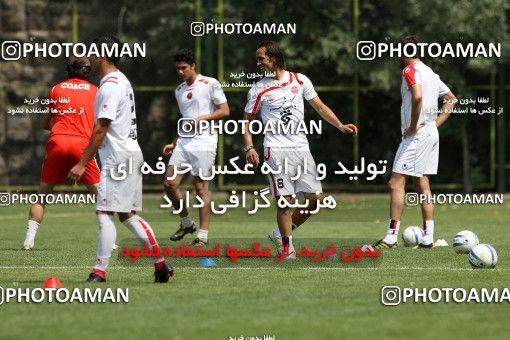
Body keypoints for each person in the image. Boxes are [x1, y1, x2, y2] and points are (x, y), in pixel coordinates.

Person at [68, 35, 173, 283]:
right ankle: (161, 265)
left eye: (92, 53)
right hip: (128, 154)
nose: (89, 58)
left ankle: (99, 272)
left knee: (104, 214)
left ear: (102, 56)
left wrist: (82, 163)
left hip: (118, 158)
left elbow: (101, 128)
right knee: (127, 215)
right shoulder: (121, 80)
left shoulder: (110, 86)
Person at [243, 41, 358, 258]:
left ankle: (280, 233)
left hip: (301, 149)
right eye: (257, 59)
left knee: (315, 200)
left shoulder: (300, 80)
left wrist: (340, 125)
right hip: (275, 150)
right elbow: (246, 121)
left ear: (274, 58)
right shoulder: (258, 88)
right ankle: (288, 249)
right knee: (285, 201)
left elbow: (320, 107)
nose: (257, 63)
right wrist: (249, 146)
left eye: (261, 58)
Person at [372, 35, 457, 249]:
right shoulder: (430, 72)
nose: (395, 57)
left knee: (396, 183)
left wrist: (412, 125)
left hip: (416, 135)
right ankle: (428, 237)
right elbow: (451, 100)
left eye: (397, 52)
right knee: (422, 184)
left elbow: (417, 97)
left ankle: (391, 237)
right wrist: (433, 125)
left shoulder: (409, 71)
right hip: (429, 133)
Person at [22, 56, 100, 250]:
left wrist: (62, 127)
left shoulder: (56, 89)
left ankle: (29, 240)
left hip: (58, 141)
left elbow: (44, 124)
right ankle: (110, 241)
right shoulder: (97, 91)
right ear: (88, 71)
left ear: (69, 69)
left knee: (42, 195)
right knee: (101, 196)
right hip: (82, 145)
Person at [162, 49, 229, 246]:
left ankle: (203, 234)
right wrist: (173, 142)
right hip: (184, 142)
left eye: (184, 68)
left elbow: (225, 110)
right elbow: (185, 120)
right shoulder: (179, 90)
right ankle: (186, 223)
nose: (180, 72)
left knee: (200, 188)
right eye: (177, 69)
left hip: (205, 142)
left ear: (193, 66)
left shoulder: (210, 83)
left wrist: (203, 118)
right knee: (169, 183)